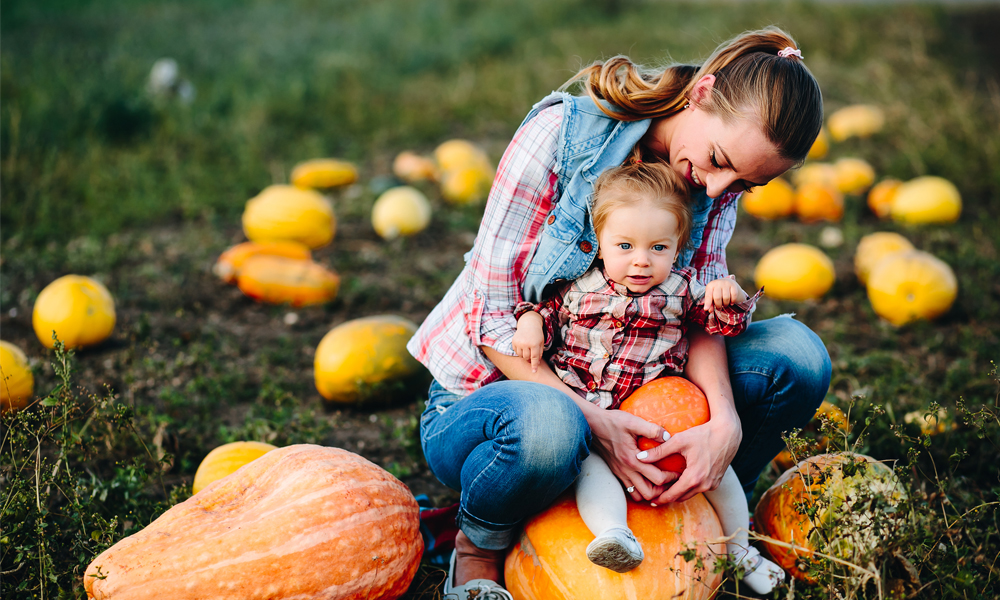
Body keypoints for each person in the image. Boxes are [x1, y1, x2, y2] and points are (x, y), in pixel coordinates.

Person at [408, 27, 831, 598]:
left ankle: (707, 512)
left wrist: (724, 424)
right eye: (718, 161)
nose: (717, 186)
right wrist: (593, 422)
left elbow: (696, 314)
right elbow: (491, 321)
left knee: (797, 357)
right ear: (702, 92)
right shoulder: (559, 136)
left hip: (630, 379)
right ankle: (478, 545)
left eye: (744, 185)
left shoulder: (713, 183)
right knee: (549, 428)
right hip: (500, 397)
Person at [509, 159, 784, 593]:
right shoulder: (576, 289)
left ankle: (739, 548)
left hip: (659, 420)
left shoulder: (682, 290)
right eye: (625, 246)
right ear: (598, 244)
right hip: (593, 418)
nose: (641, 261)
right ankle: (614, 534)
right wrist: (529, 323)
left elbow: (721, 326)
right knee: (590, 471)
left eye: (658, 248)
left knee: (721, 475)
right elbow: (541, 311)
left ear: (678, 248)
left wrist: (728, 298)